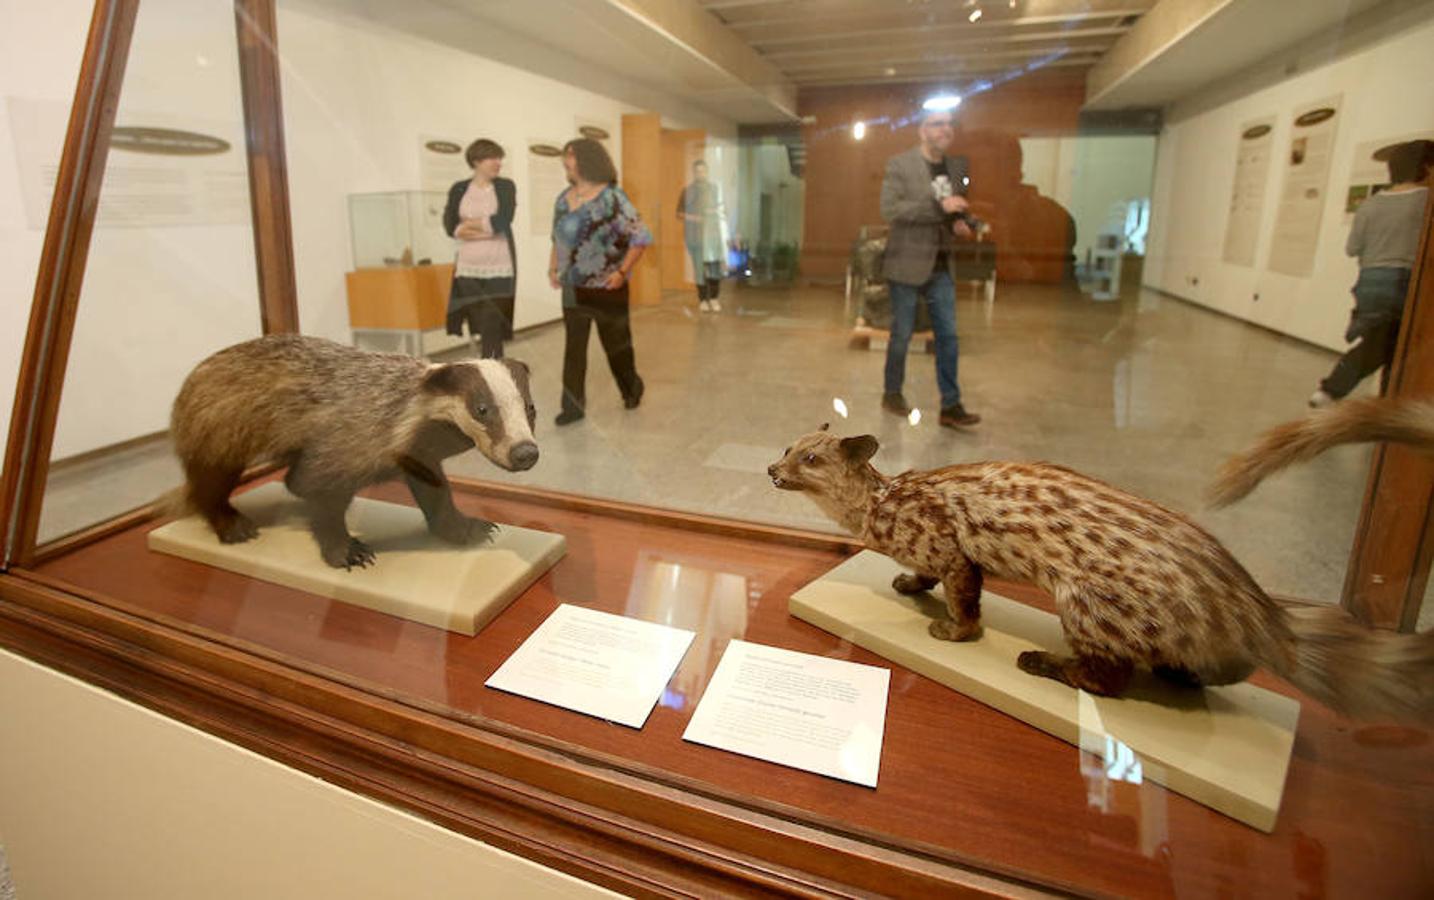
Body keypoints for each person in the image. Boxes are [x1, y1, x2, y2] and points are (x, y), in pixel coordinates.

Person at [879, 108, 981, 428]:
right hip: (906, 262)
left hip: (941, 265)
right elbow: (890, 209)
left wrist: (959, 224)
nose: (945, 129)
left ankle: (951, 406)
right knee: (902, 335)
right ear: (922, 130)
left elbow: (949, 214)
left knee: (949, 336)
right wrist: (939, 207)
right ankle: (892, 393)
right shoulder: (900, 164)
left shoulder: (955, 166)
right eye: (938, 124)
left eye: (949, 124)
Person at [1311, 140, 1431, 407]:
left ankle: (1354, 396)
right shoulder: (1426, 201)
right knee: (1396, 349)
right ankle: (1342, 392)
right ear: (1426, 168)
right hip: (1404, 282)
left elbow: (1352, 248)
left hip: (1369, 282)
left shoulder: (1369, 205)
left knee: (1385, 344)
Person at [548, 138, 652, 426]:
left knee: (617, 347)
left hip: (608, 288)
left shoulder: (612, 198)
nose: (566, 161)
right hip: (573, 287)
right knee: (574, 349)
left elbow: (640, 238)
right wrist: (553, 268)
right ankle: (572, 407)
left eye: (570, 155)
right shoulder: (562, 199)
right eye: (565, 155)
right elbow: (557, 239)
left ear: (586, 159)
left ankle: (631, 388)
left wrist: (621, 273)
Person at [443, 139, 517, 359]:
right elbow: (449, 226)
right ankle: (484, 371)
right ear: (476, 161)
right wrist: (485, 227)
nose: (498, 163)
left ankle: (493, 374)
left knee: (492, 324)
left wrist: (468, 226)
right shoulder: (459, 188)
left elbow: (503, 221)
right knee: (478, 325)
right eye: (492, 158)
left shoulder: (506, 187)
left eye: (500, 158)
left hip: (499, 268)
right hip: (467, 269)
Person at [676, 159, 726, 311]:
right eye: (697, 171)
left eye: (703, 170)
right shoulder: (687, 191)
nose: (700, 173)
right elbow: (679, 213)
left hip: (712, 236)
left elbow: (722, 210)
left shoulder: (714, 189)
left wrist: (714, 213)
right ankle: (703, 300)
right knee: (699, 270)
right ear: (694, 173)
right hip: (695, 237)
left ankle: (714, 298)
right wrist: (694, 218)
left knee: (714, 268)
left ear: (707, 172)